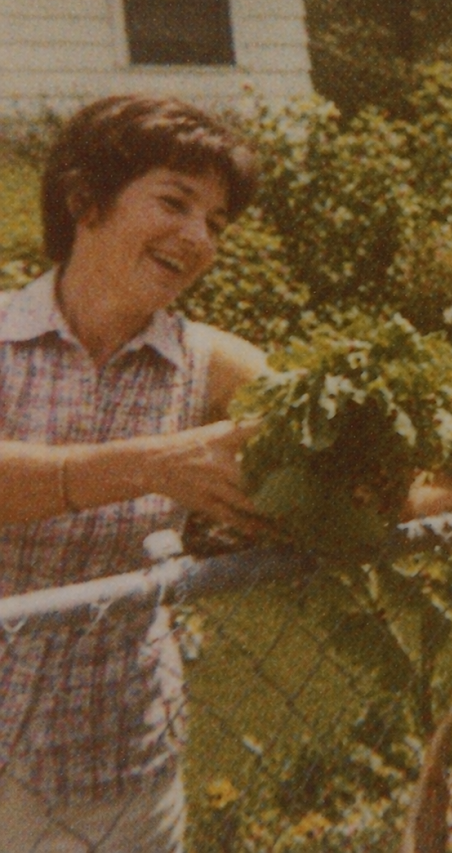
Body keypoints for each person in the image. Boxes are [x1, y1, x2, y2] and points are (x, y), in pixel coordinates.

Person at [0, 96, 269, 851]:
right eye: (176, 203)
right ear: (86, 200)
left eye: (216, 223)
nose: (198, 237)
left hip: (126, 764)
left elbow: (338, 469)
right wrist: (151, 463)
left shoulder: (214, 363)